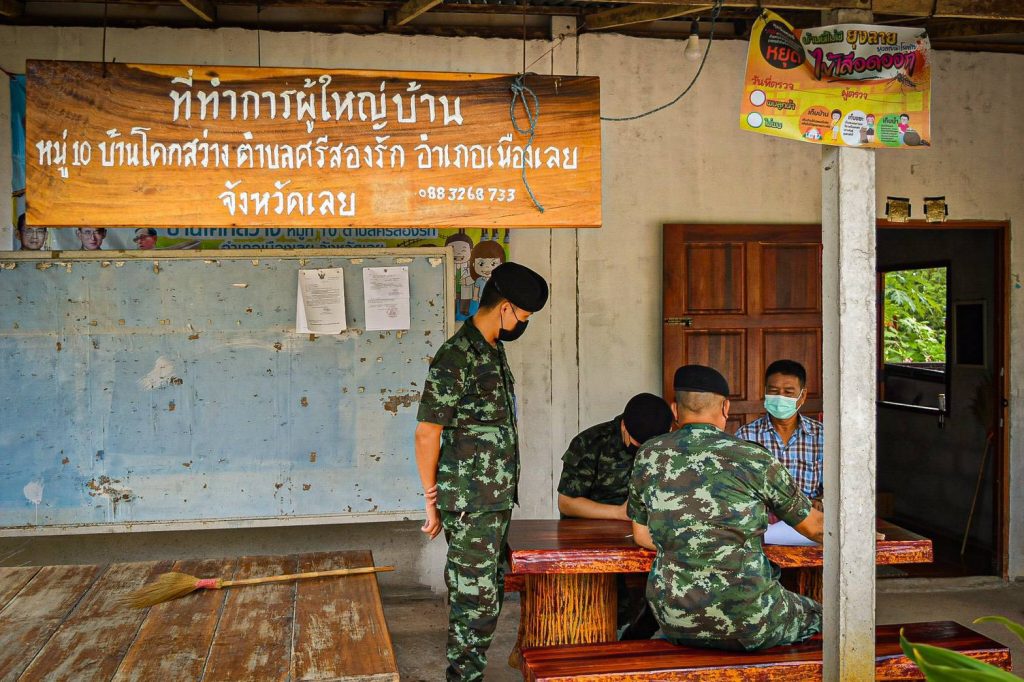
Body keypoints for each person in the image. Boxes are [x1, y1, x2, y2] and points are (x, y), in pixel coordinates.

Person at [628, 364, 824, 651]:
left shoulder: (648, 454)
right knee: (822, 615)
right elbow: (816, 527)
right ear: (726, 408)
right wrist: (862, 534)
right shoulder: (753, 457)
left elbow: (641, 535)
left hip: (675, 619)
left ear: (674, 409)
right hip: (750, 619)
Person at [415, 261, 548, 681]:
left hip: (492, 501)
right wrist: (431, 501)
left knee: (486, 596)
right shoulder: (456, 356)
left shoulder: (492, 348)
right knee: (474, 601)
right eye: (523, 316)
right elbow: (427, 432)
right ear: (505, 308)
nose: (523, 324)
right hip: (469, 503)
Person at [557, 392, 673, 521]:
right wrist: (619, 513)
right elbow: (566, 503)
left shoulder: (672, 444)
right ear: (624, 426)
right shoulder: (590, 443)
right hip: (594, 527)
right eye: (638, 445)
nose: (642, 451)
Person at [735, 359, 824, 506]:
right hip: (762, 517)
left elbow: (835, 485)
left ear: (802, 396)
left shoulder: (821, 436)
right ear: (765, 392)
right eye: (774, 391)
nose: (780, 397)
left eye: (788, 392)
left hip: (808, 516)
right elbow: (737, 487)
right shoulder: (746, 436)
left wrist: (819, 501)